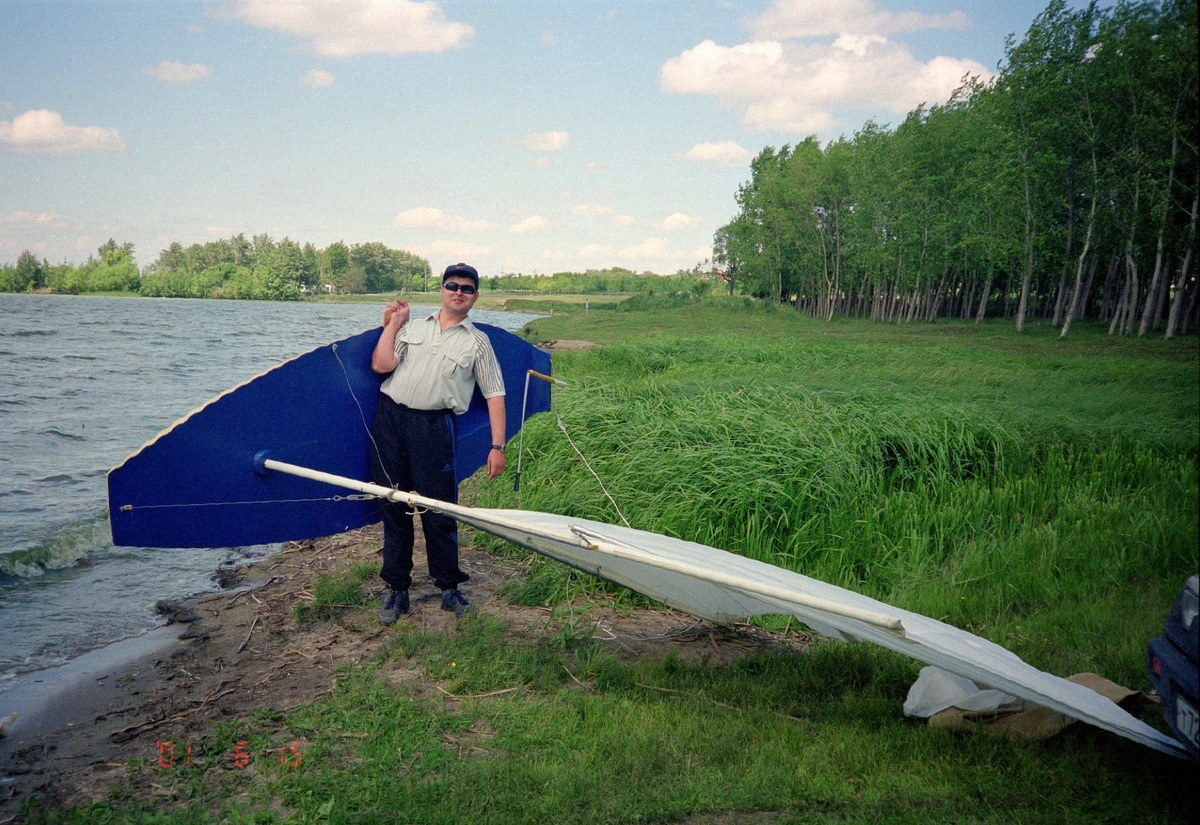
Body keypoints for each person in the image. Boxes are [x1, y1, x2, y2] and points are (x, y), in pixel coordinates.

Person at [368, 262, 507, 623]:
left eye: (467, 288)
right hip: (391, 421)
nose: (458, 292)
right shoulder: (412, 328)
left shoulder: (478, 343)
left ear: (476, 296)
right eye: (452, 285)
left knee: (439, 510)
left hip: (434, 428)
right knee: (393, 505)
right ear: (441, 290)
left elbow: (494, 393)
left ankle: (448, 589)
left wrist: (498, 446)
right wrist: (394, 323)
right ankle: (397, 591)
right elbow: (381, 365)